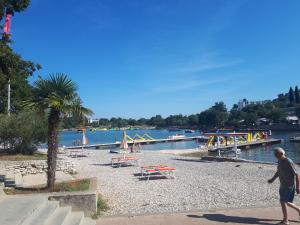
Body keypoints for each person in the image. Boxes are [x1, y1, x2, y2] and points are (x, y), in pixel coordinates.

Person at [268, 147, 300, 225]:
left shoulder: (288, 161)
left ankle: (285, 220)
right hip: (282, 185)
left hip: (289, 186)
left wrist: (298, 187)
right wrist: (272, 179)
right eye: (274, 154)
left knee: (283, 202)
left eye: (276, 154)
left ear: (282, 154)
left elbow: (297, 174)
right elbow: (278, 172)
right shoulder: (279, 161)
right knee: (287, 202)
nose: (275, 155)